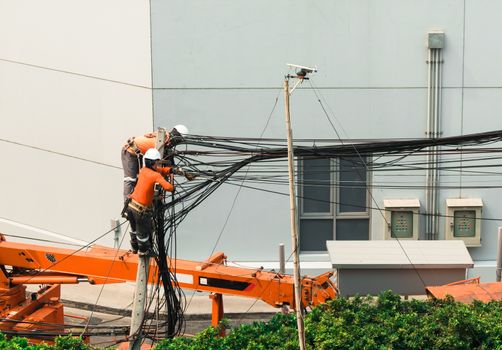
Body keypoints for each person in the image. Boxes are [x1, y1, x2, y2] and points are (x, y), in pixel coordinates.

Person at [126, 148, 175, 255]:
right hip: (140, 211)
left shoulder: (143, 170)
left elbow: (160, 171)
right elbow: (169, 188)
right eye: (157, 162)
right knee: (144, 233)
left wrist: (169, 170)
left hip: (130, 206)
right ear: (154, 163)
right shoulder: (155, 175)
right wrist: (171, 177)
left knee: (134, 230)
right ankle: (144, 251)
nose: (158, 165)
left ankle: (134, 248)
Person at [121, 125, 189, 202]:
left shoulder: (165, 139)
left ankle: (139, 199)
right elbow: (161, 163)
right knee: (131, 179)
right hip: (130, 151)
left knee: (139, 179)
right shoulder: (162, 141)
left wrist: (173, 169)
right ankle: (127, 202)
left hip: (138, 153)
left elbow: (167, 158)